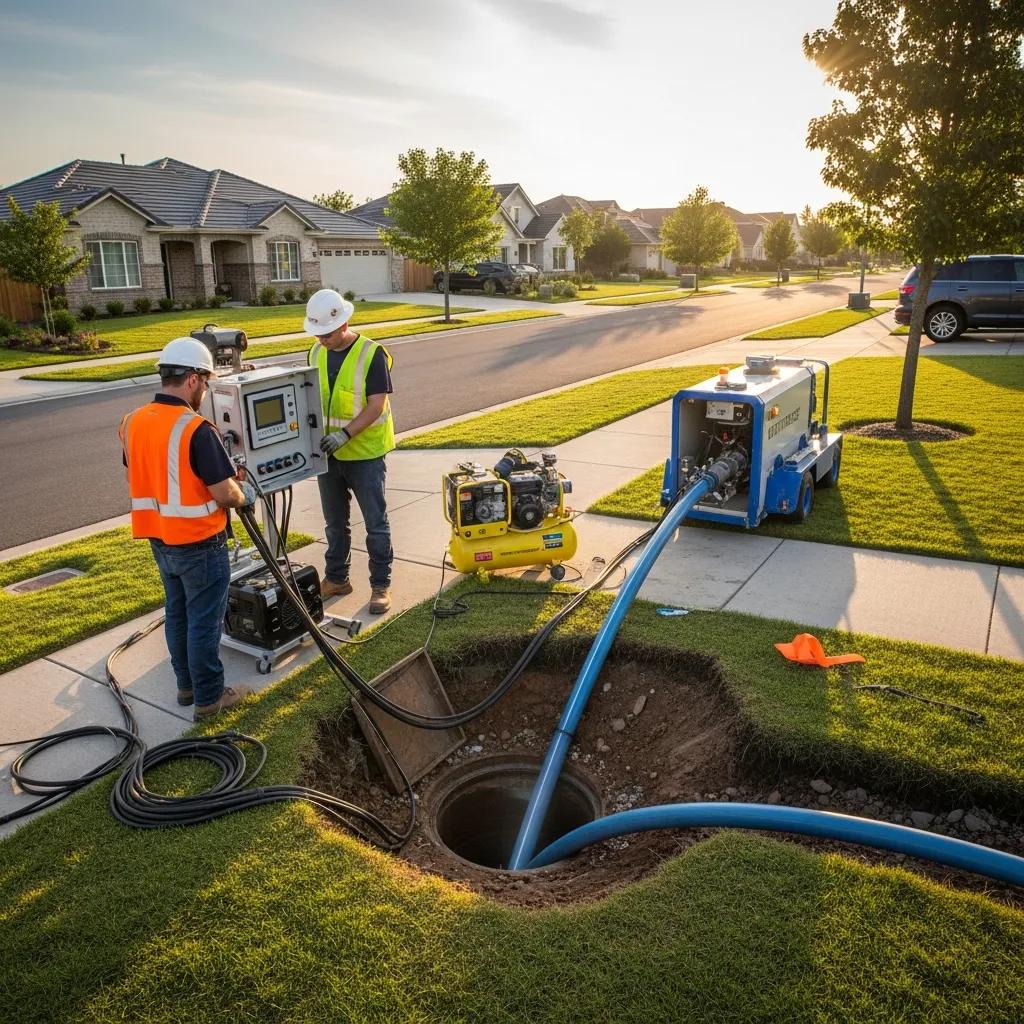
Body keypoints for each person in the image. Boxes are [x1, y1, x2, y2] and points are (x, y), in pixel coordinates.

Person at [119, 337, 257, 721]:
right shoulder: (196, 428)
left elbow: (140, 474)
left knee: (177, 613)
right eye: (207, 382)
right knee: (204, 622)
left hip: (159, 540)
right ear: (193, 379)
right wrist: (244, 493)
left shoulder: (132, 421)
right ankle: (211, 699)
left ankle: (186, 687)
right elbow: (224, 494)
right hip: (200, 543)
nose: (206, 390)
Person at [304, 288, 395, 614]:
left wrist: (344, 435)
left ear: (343, 324)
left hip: (365, 454)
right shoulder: (315, 352)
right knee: (335, 524)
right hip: (329, 455)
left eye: (326, 335)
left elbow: (376, 405)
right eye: (316, 335)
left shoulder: (372, 353)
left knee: (376, 524)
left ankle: (380, 585)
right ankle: (337, 578)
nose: (321, 341)